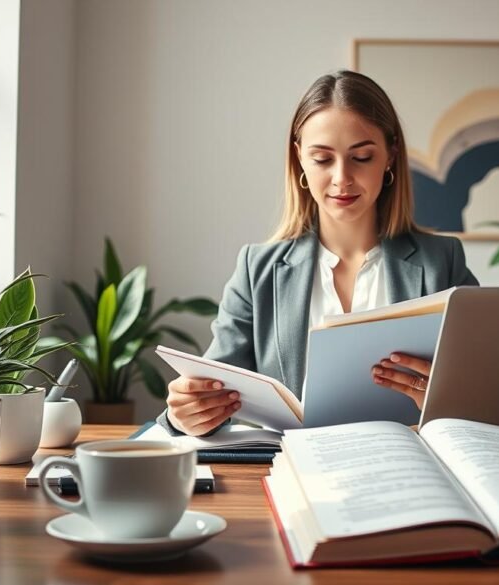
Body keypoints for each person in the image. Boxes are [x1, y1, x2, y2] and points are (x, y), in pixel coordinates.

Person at [158, 70, 478, 437]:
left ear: (389, 156)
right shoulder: (257, 269)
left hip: (407, 470)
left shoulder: (442, 261)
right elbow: (211, 388)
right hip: (292, 469)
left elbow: (488, 384)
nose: (342, 178)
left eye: (361, 157)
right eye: (323, 159)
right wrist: (184, 415)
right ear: (300, 161)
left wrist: (443, 400)